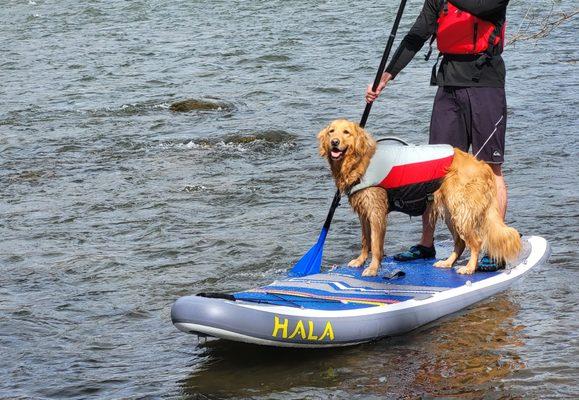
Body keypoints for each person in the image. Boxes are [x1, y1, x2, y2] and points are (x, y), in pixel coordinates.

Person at [365, 0, 510, 271]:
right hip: (448, 82)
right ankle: (426, 244)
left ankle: (495, 248)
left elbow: (480, 7)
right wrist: (387, 74)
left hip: (485, 82)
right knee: (436, 169)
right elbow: (418, 33)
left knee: (491, 168)